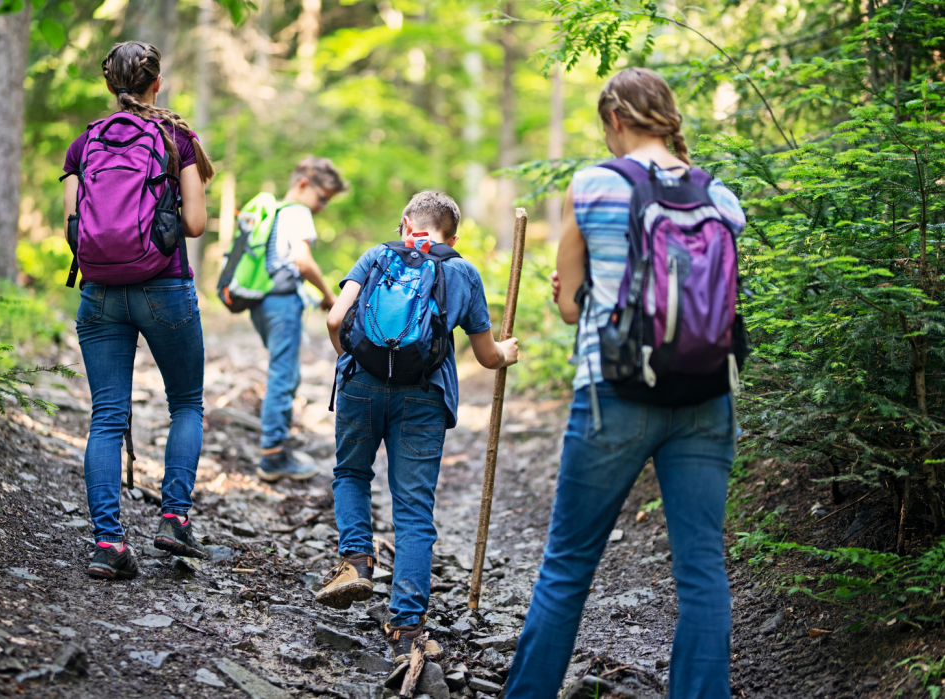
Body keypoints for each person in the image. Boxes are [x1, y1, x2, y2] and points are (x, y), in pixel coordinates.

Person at [504, 67, 747, 699]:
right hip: (706, 394)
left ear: (614, 119)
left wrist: (573, 287)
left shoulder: (591, 185)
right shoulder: (718, 196)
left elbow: (569, 307)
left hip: (613, 392)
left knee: (566, 569)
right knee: (701, 571)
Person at [318, 191, 520, 664]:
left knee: (350, 474)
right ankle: (406, 628)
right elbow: (487, 355)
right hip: (424, 397)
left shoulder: (375, 256)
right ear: (453, 235)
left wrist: (355, 363)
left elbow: (335, 318)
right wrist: (507, 353)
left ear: (405, 223)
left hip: (360, 386)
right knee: (413, 510)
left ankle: (356, 560)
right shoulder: (463, 271)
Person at [62, 41, 214, 580]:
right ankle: (173, 518)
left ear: (110, 85)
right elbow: (194, 226)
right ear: (157, 83)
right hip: (164, 288)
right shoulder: (177, 139)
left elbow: (72, 229)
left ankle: (109, 544)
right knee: (186, 405)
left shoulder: (85, 143)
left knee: (106, 417)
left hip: (99, 293)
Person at [252, 157, 347, 482]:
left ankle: (275, 447)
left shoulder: (276, 211)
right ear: (304, 184)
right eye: (322, 198)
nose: (322, 206)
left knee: (282, 371)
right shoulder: (297, 212)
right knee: (284, 375)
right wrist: (328, 294)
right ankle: (273, 455)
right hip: (283, 302)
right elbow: (302, 260)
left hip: (262, 302)